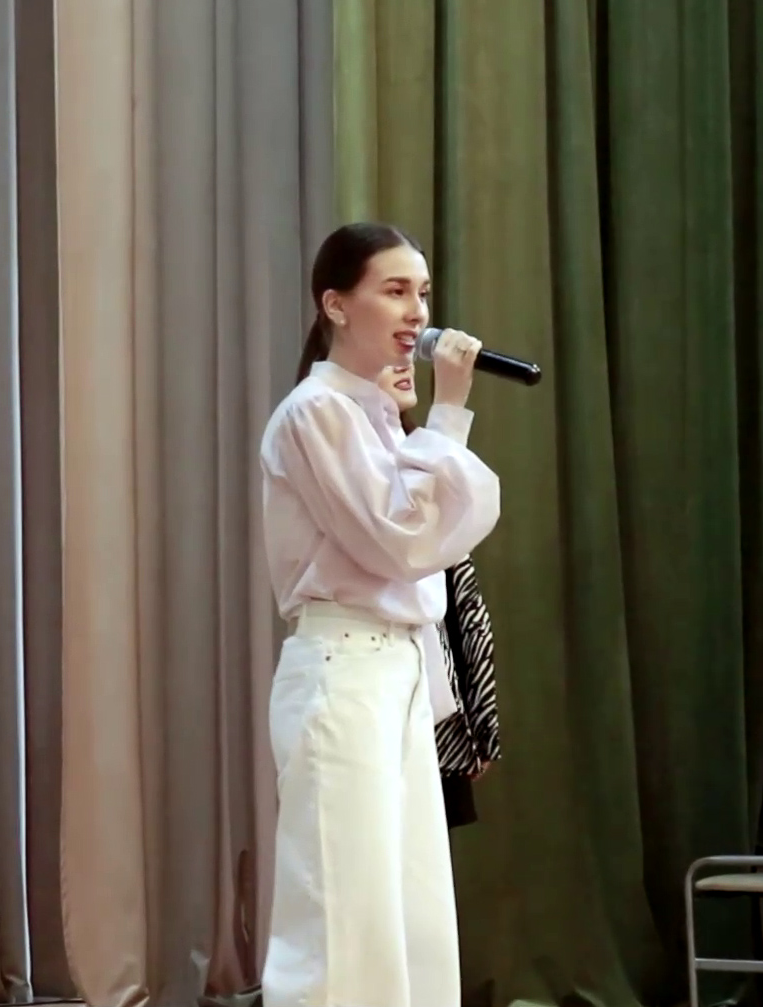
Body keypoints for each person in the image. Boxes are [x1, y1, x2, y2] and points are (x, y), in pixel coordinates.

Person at [260, 222, 500, 1007]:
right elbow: (400, 540)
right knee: (344, 909)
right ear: (336, 304)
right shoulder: (315, 413)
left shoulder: (376, 415)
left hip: (396, 674)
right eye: (395, 290)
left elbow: (440, 538)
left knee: (411, 907)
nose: (416, 311)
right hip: (344, 671)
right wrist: (450, 411)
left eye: (422, 292)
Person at [375, 363, 503, 830]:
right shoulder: (339, 451)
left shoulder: (421, 452)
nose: (404, 365)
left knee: (428, 857)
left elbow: (463, 603)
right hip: (375, 696)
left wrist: (478, 721)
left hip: (438, 704)